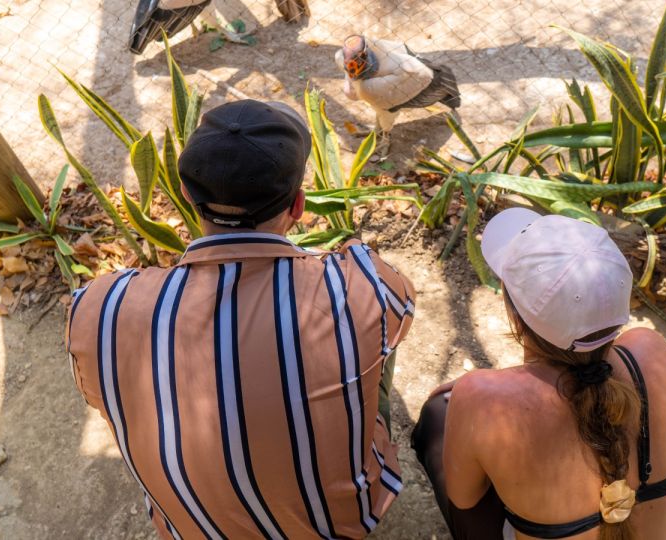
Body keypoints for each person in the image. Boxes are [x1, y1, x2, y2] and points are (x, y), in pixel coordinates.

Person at [66, 100, 415, 538]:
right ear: (298, 206)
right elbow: (402, 310)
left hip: (196, 531)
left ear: (188, 196)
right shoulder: (361, 284)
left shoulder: (100, 308)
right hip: (338, 527)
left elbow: (102, 401)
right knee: (375, 337)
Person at [411, 208, 666, 539]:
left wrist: (482, 400)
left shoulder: (480, 396)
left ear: (514, 317)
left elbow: (465, 501)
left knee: (438, 414)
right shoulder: (650, 350)